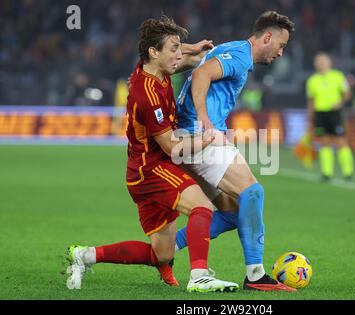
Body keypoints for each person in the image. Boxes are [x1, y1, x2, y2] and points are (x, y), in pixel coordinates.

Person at [65, 16, 239, 293]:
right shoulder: (146, 95)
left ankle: (85, 255)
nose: (178, 54)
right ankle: (200, 276)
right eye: (173, 48)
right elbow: (172, 147)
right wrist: (208, 139)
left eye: (178, 47)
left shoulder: (153, 69)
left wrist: (193, 48)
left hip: (141, 171)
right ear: (153, 52)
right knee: (202, 207)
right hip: (151, 170)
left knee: (162, 255)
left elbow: (181, 60)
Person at [174, 11, 296, 292]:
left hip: (187, 137)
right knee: (252, 192)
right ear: (267, 37)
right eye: (281, 45)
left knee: (231, 211)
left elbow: (192, 63)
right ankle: (256, 275)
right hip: (199, 135)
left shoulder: (230, 49)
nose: (281, 52)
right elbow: (202, 73)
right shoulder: (240, 56)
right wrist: (204, 119)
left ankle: (166, 250)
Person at [306, 53, 353, 181]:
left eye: (323, 61)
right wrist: (310, 116)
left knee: (341, 141)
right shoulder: (312, 80)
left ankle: (348, 172)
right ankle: (327, 173)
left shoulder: (338, 76)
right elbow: (311, 100)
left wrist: (340, 103)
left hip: (335, 113)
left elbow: (347, 93)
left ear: (329, 63)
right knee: (324, 142)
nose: (320, 63)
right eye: (318, 61)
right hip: (320, 113)